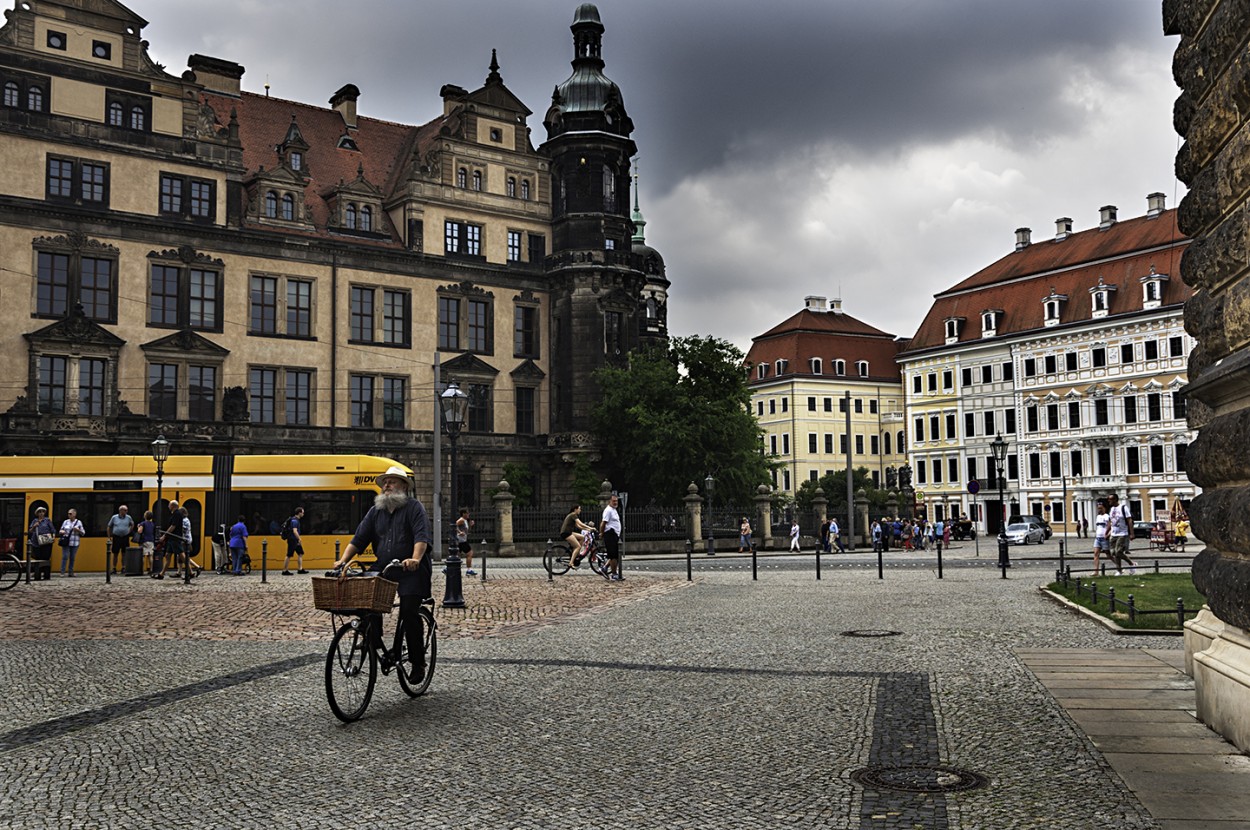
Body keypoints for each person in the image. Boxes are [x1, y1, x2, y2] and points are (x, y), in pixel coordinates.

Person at [331, 466, 432, 684]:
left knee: (408, 611)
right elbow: (359, 539)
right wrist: (342, 561)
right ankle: (374, 642)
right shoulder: (376, 510)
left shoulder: (414, 508)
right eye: (385, 482)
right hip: (384, 566)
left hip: (409, 569)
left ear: (403, 486)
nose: (386, 485)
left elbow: (421, 536)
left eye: (392, 481)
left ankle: (418, 663)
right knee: (366, 604)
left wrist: (414, 559)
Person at [1106, 493, 1137, 575]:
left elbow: (1129, 520)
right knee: (1113, 553)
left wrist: (1132, 533)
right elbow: (1111, 522)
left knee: (1118, 552)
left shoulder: (1123, 508)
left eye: (1110, 499)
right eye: (1108, 499)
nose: (1109, 501)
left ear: (1115, 499)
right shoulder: (1111, 509)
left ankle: (1132, 564)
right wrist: (1107, 533)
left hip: (1122, 533)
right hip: (1113, 534)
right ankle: (1119, 570)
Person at [106, 504, 135, 575]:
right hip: (116, 537)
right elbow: (109, 526)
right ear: (120, 511)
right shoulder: (114, 517)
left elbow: (132, 524)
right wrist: (109, 537)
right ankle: (114, 568)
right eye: (125, 510)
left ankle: (123, 567)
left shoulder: (128, 517)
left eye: (126, 510)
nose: (126, 511)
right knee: (115, 553)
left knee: (124, 553)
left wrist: (129, 531)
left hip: (125, 537)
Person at [27, 506, 54, 581]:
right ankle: (37, 575)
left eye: (42, 512)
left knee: (46, 558)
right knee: (38, 559)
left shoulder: (47, 520)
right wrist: (34, 526)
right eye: (40, 512)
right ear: (37, 513)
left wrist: (53, 537)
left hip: (46, 542)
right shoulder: (35, 521)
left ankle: (46, 575)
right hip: (36, 542)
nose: (41, 513)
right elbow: (30, 531)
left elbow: (52, 530)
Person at [600, 493, 623, 580]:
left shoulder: (614, 510)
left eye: (616, 501)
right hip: (610, 534)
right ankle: (614, 574)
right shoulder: (608, 510)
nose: (615, 502)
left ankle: (604, 568)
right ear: (609, 501)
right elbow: (603, 523)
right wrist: (601, 533)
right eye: (613, 501)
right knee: (613, 555)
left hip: (614, 534)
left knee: (614, 554)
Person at [281, 507, 308, 575]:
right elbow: (295, 531)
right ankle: (284, 570)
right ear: (299, 513)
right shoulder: (295, 521)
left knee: (300, 553)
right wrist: (299, 538)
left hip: (294, 540)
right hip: (293, 539)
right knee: (289, 555)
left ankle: (300, 569)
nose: (303, 514)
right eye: (303, 512)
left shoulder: (294, 520)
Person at [58, 508, 84, 577]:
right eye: (68, 514)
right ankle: (62, 572)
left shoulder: (79, 522)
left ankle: (70, 572)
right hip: (66, 542)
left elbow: (83, 533)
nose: (69, 515)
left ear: (74, 514)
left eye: (70, 514)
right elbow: (60, 530)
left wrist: (78, 530)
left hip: (75, 543)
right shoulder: (65, 522)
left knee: (72, 558)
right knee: (65, 557)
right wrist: (62, 532)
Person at [1091, 500, 1110, 575]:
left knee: (1109, 555)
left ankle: (1119, 567)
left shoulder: (1107, 516)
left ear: (1104, 508)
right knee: (1096, 554)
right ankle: (1096, 571)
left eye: (1101, 508)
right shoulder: (1098, 516)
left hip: (1104, 538)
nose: (1099, 510)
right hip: (1098, 538)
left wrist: (1107, 535)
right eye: (1098, 508)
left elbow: (1109, 526)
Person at [456, 508, 476, 576]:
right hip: (461, 541)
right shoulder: (461, 520)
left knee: (457, 555)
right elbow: (454, 526)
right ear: (463, 514)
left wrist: (470, 525)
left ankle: (447, 569)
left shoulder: (465, 520)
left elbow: (466, 531)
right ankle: (469, 570)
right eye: (467, 513)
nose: (468, 514)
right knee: (469, 553)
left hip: (462, 540)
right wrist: (459, 532)